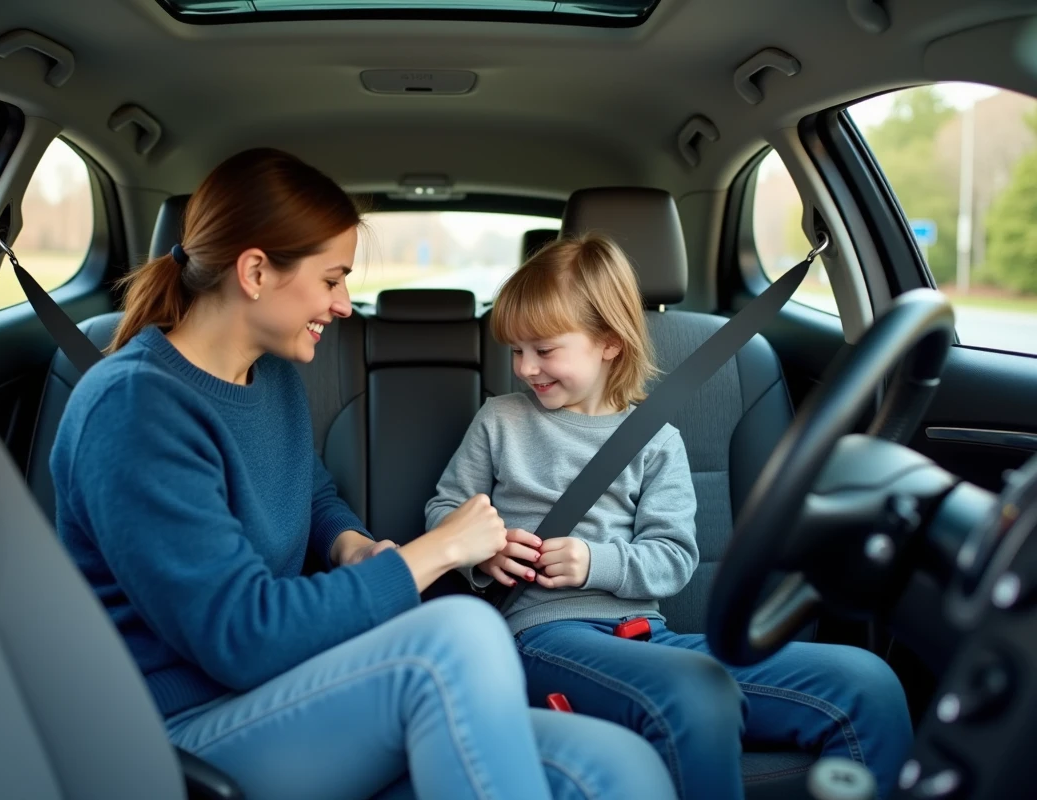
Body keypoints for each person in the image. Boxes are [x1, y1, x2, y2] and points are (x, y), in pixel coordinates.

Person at [49, 148, 675, 800]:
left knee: (620, 768)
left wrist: (352, 545)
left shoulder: (271, 380)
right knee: (459, 637)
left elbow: (310, 491)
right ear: (257, 272)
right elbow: (242, 634)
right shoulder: (135, 410)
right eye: (332, 279)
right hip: (177, 733)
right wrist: (437, 552)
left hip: (283, 688)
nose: (346, 305)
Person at [425, 233, 914, 800]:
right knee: (692, 694)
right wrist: (484, 549)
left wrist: (594, 562)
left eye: (544, 349)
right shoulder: (501, 421)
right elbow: (443, 509)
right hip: (540, 638)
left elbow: (674, 557)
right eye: (516, 351)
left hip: (650, 640)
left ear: (609, 342)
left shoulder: (657, 442)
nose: (526, 367)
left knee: (868, 685)